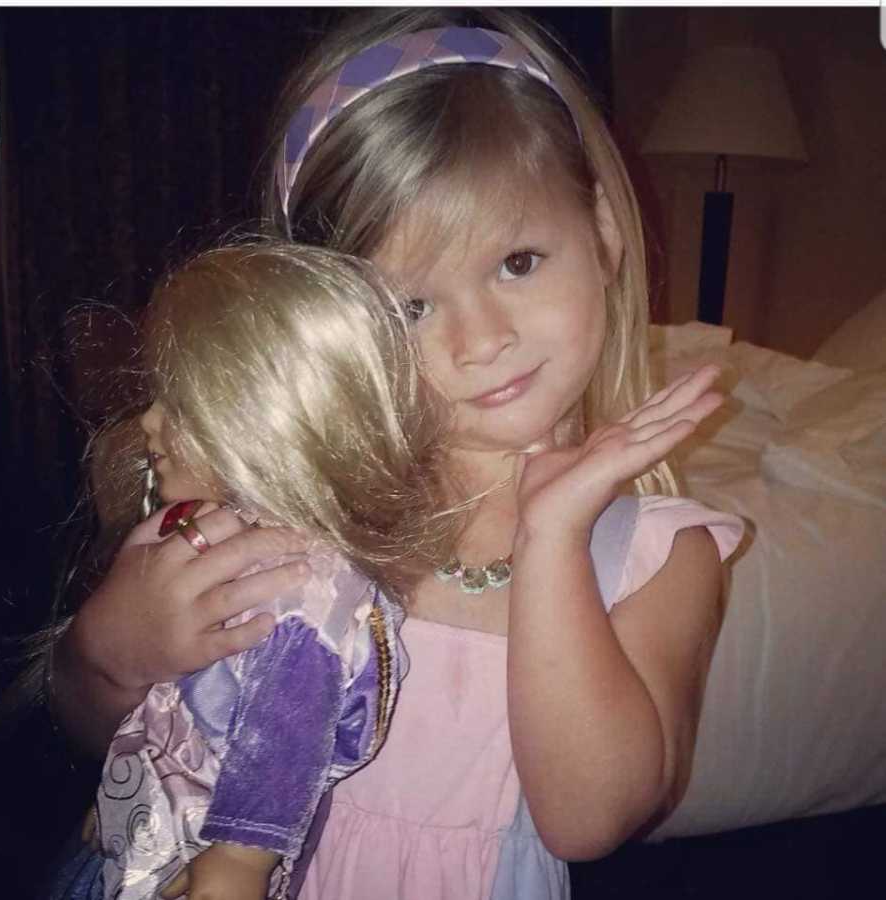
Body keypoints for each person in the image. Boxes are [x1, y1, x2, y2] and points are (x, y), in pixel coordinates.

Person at [50, 9, 744, 899]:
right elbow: (107, 729)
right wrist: (108, 653)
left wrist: (551, 543)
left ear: (604, 231)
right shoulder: (294, 503)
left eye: (519, 261)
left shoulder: (660, 556)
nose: (481, 338)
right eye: (411, 306)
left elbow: (587, 819)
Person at [51, 241, 453, 900]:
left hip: (198, 856)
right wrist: (126, 787)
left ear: (264, 422)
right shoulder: (228, 537)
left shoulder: (306, 592)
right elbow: (169, 696)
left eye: (181, 407)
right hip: (146, 822)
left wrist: (242, 856)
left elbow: (282, 736)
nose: (149, 423)